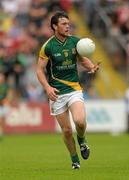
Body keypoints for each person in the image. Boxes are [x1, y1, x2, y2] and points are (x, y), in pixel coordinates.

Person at [36, 11, 100, 169]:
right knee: (66, 130)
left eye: (68, 23)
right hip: (56, 93)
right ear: (54, 26)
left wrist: (91, 66)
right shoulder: (48, 47)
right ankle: (75, 160)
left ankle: (82, 140)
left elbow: (82, 59)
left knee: (79, 121)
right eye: (64, 24)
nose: (67, 26)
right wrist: (47, 87)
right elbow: (39, 70)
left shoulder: (76, 42)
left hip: (74, 89)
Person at [0, 72, 10, 140]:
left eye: (1, 77)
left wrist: (7, 101)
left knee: (3, 120)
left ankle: (1, 132)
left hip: (4, 105)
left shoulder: (6, 86)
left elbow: (9, 95)